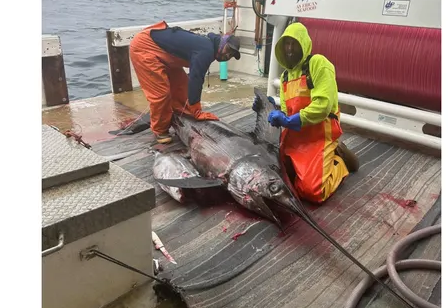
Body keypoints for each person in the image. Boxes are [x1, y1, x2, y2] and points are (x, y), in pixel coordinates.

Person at [257, 22, 359, 204]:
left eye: (294, 43)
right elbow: (287, 112)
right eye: (286, 44)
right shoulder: (285, 77)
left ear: (304, 43)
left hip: (319, 136)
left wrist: (290, 120)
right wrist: (271, 108)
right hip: (295, 137)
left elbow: (323, 106)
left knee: (312, 192)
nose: (289, 48)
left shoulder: (318, 64)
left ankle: (339, 162)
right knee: (273, 174)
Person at [129, 20, 241, 144]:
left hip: (166, 54)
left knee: (181, 86)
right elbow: (196, 78)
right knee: (161, 94)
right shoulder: (206, 50)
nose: (227, 55)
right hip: (145, 47)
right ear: (222, 42)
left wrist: (193, 107)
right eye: (228, 50)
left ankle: (179, 116)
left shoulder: (208, 45)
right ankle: (160, 130)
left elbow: (193, 81)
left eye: (231, 55)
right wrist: (197, 110)